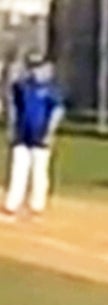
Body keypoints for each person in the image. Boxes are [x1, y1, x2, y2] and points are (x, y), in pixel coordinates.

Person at [3, 53, 65, 219]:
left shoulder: (50, 90)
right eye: (32, 66)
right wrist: (12, 128)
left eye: (38, 67)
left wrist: (50, 131)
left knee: (39, 172)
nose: (34, 70)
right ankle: (12, 204)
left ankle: (37, 206)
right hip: (22, 133)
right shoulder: (22, 86)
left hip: (41, 134)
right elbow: (14, 107)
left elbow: (57, 111)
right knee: (18, 170)